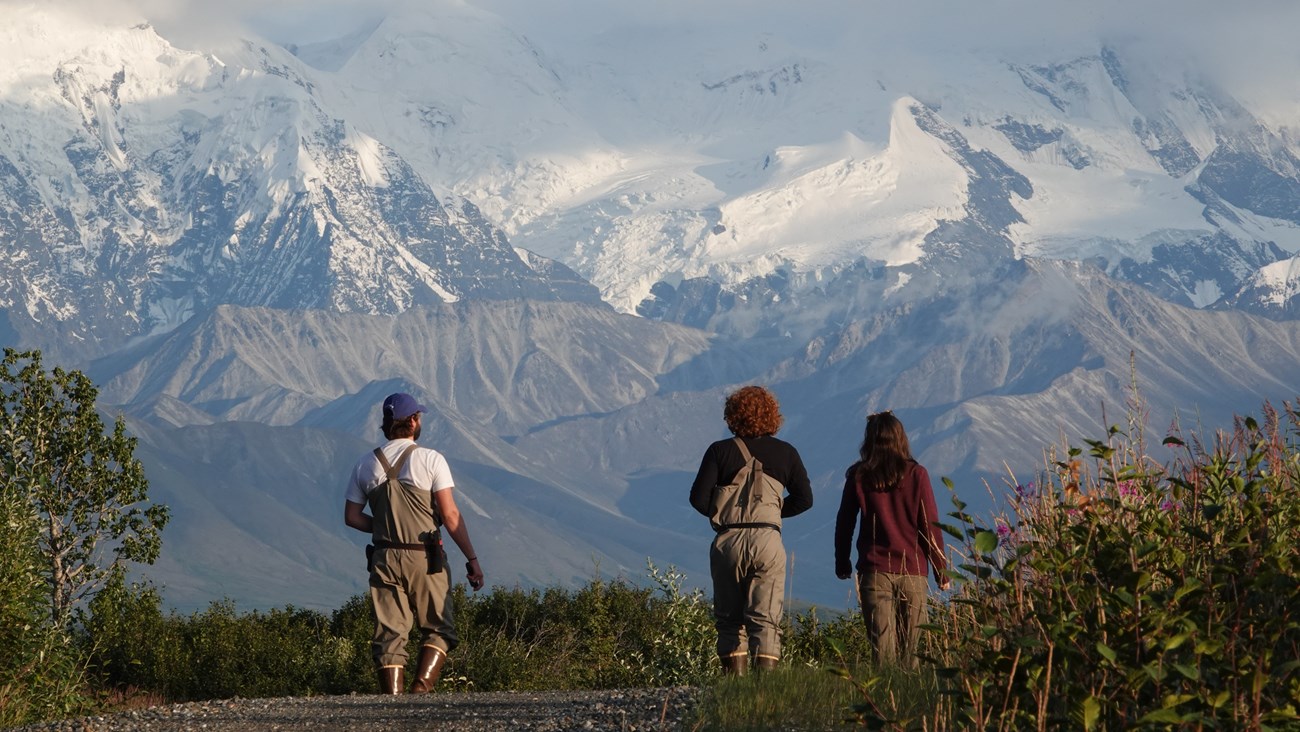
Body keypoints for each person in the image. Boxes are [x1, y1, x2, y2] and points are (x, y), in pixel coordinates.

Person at [344, 392, 486, 694]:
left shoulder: (364, 464)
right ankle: (421, 692)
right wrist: (472, 559)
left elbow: (352, 517)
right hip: (425, 557)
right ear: (412, 421)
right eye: (418, 416)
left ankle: (393, 703)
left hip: (383, 557)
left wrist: (384, 530)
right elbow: (449, 515)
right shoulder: (430, 459)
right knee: (439, 628)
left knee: (390, 634)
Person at [689, 385, 813, 675]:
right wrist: (771, 513)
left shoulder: (719, 451)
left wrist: (725, 512)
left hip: (728, 540)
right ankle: (764, 691)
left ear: (732, 416)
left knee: (729, 620)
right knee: (766, 619)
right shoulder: (787, 453)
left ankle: (735, 685)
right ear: (773, 415)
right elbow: (805, 500)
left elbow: (698, 499)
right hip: (768, 540)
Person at [834, 411, 948, 669]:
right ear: (901, 438)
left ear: (869, 440)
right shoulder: (917, 474)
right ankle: (909, 703)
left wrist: (842, 562)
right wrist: (942, 572)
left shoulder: (858, 476)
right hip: (913, 572)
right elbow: (929, 525)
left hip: (874, 571)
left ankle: (883, 702)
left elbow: (845, 523)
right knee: (911, 654)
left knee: (882, 652)